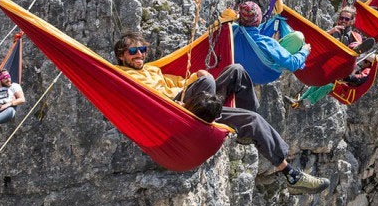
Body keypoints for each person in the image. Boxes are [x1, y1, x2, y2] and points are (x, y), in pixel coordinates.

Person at [114, 32, 330, 195]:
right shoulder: (121, 75)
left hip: (198, 104)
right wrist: (200, 79)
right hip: (175, 112)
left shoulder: (153, 70)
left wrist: (196, 76)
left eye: (142, 49)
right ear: (121, 56)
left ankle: (290, 174)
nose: (139, 54)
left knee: (237, 71)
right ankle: (233, 121)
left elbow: (180, 82)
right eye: (133, 51)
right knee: (207, 80)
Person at [236, 1, 311, 75]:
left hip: (242, 70)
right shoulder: (267, 43)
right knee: (298, 37)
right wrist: (304, 51)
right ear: (259, 19)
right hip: (263, 74)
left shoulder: (233, 31)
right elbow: (292, 64)